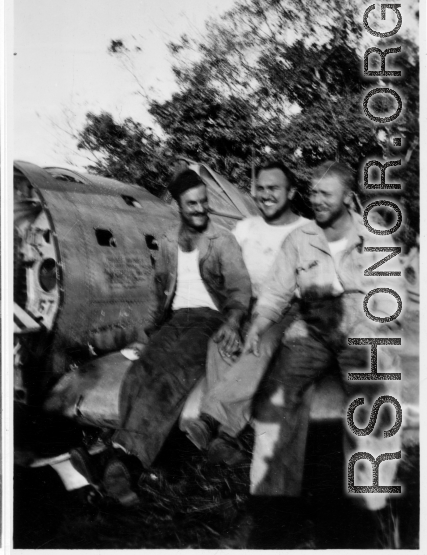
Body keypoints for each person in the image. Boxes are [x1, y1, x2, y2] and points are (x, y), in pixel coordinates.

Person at [70, 169, 252, 506]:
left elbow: (240, 288)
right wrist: (145, 336)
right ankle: (117, 458)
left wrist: (235, 320)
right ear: (179, 207)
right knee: (140, 372)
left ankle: (124, 460)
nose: (200, 209)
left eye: (203, 202)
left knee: (171, 375)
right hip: (175, 321)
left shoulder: (222, 240)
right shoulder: (169, 243)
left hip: (209, 320)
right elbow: (158, 294)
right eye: (191, 204)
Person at [243, 162, 402, 546]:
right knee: (274, 397)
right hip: (313, 328)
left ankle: (371, 504)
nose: (315, 200)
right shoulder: (301, 238)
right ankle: (272, 502)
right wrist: (257, 325)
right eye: (312, 193)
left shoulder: (375, 235)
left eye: (325, 194)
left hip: (360, 327)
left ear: (348, 197)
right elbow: (277, 291)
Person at [181, 161, 310, 465]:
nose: (265, 195)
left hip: (288, 308)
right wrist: (232, 317)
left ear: (291, 192)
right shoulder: (245, 228)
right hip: (247, 305)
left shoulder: (307, 230)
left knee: (261, 345)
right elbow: (227, 272)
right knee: (219, 344)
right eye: (261, 189)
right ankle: (225, 438)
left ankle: (211, 421)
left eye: (274, 188)